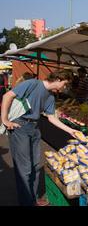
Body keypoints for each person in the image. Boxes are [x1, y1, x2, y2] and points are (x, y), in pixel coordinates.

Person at [1, 70, 78, 206]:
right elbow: (8, 96)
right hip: (20, 126)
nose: (64, 88)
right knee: (24, 169)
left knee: (36, 166)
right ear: (59, 79)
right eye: (65, 84)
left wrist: (71, 130)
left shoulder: (50, 96)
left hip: (35, 128)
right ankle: (27, 202)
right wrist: (5, 120)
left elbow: (52, 118)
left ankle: (33, 198)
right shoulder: (32, 83)